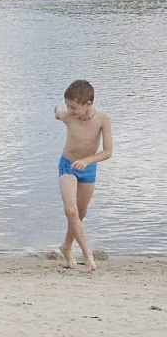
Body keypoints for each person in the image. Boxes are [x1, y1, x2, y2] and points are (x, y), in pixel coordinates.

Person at [54, 80, 112, 272]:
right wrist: (58, 112)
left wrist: (87, 161)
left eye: (74, 107)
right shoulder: (68, 116)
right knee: (71, 211)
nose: (70, 110)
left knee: (81, 211)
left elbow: (108, 152)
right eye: (67, 106)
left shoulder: (103, 119)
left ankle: (66, 247)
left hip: (88, 168)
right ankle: (88, 255)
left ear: (88, 104)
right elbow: (60, 114)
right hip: (68, 165)